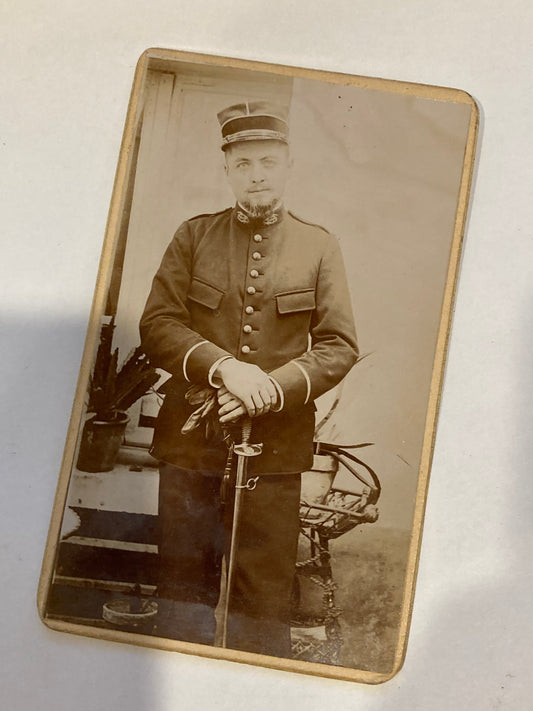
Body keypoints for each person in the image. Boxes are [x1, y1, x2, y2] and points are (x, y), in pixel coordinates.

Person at [139, 99, 358, 658]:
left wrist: (270, 389)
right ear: (228, 170)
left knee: (262, 602)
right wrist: (226, 369)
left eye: (267, 162)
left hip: (275, 448)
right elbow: (159, 324)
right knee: (181, 587)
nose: (256, 174)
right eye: (243, 164)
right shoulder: (193, 236)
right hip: (191, 443)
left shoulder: (319, 245)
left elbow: (338, 346)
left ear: (287, 166)